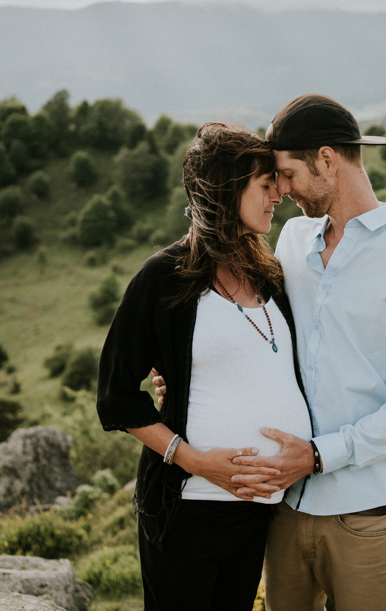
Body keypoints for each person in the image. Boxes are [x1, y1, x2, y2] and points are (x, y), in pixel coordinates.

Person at [230, 93, 386, 611]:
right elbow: (261, 336)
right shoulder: (291, 242)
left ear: (327, 160)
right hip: (284, 511)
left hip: (364, 519)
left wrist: (316, 456)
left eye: (286, 175)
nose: (280, 191)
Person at [96, 122, 312, 611]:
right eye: (264, 184)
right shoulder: (163, 278)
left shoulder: (268, 273)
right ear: (225, 189)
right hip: (188, 509)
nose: (279, 193)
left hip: (258, 513)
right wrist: (196, 461)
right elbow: (115, 393)